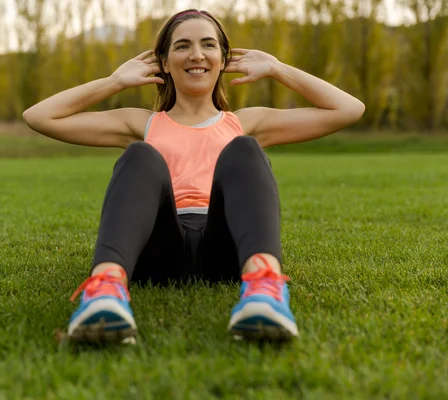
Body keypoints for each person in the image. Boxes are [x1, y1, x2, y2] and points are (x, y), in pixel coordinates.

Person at [22, 9, 365, 344]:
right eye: (182, 46)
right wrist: (115, 82)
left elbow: (349, 109)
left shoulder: (245, 122)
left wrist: (277, 68)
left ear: (223, 59)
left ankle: (264, 289)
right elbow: (39, 117)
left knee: (244, 148)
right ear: (164, 63)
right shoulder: (141, 123)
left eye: (208, 45)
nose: (196, 54)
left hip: (225, 247)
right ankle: (105, 292)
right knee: (140, 155)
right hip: (160, 249)